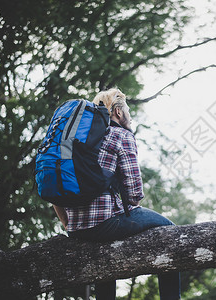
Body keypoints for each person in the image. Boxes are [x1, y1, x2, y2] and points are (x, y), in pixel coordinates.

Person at [52, 88, 181, 300]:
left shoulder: (75, 140)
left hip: (75, 229)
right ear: (119, 112)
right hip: (104, 224)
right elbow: (134, 195)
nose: (129, 115)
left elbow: (54, 186)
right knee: (171, 231)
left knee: (104, 260)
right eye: (128, 111)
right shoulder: (121, 135)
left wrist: (68, 224)